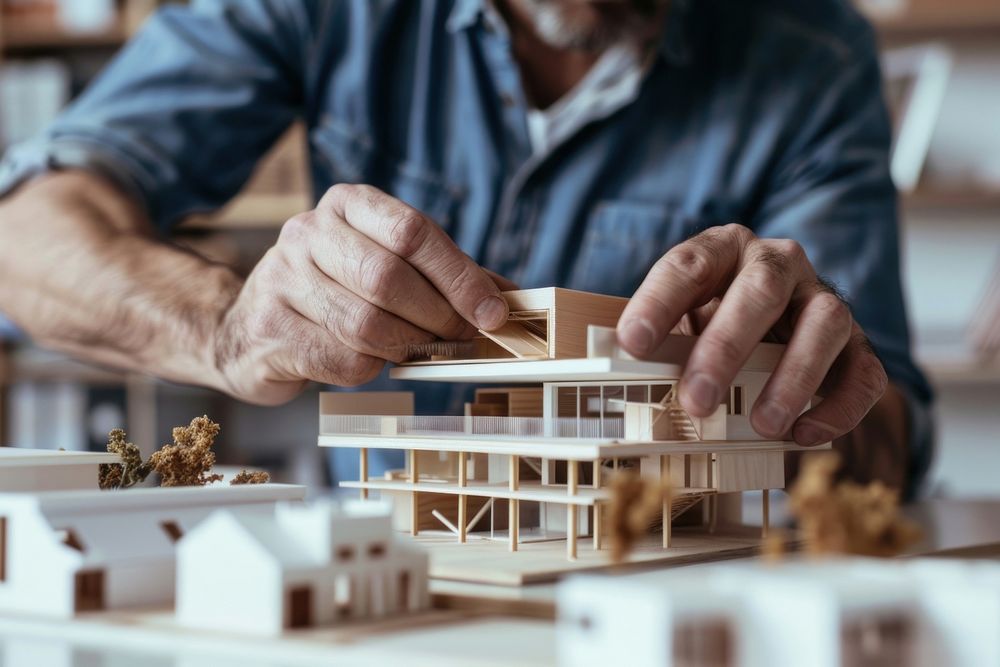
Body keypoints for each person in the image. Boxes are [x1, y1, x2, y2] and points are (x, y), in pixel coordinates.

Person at [0, 0, 932, 496]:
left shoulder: (810, 49)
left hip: (659, 589)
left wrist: (785, 386)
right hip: (382, 584)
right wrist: (224, 328)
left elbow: (889, 440)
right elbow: (26, 234)